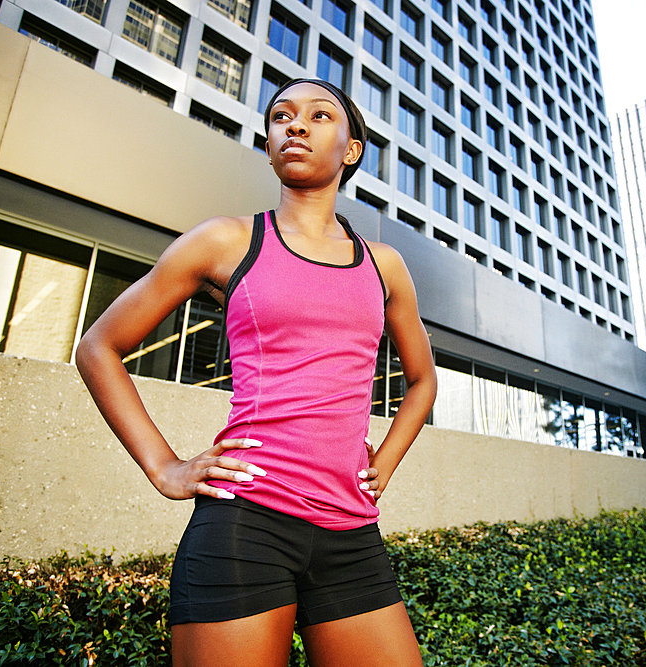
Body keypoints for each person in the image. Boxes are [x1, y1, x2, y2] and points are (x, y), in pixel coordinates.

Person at [75, 78, 437, 667]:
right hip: (245, 523)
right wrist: (163, 466)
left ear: (351, 149)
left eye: (320, 116)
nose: (296, 125)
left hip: (350, 530)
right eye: (281, 117)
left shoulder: (384, 265)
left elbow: (422, 381)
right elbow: (98, 348)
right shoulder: (225, 240)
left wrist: (382, 466)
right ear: (269, 144)